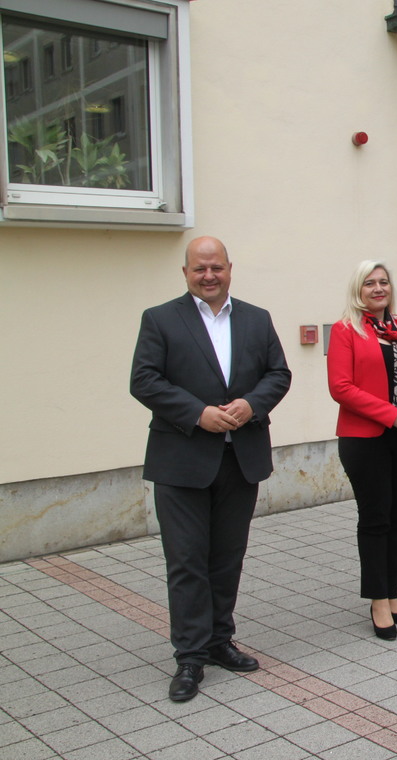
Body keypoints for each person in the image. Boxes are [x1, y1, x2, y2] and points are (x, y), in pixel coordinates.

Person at [130, 236, 291, 703]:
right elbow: (144, 379)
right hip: (181, 460)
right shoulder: (160, 319)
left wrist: (250, 404)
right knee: (186, 562)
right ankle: (190, 656)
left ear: (229, 269)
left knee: (226, 559)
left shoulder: (256, 319)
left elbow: (278, 374)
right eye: (199, 269)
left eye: (216, 267)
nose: (208, 275)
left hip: (239, 458)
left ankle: (220, 641)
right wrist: (197, 412)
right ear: (185, 273)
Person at [327, 261, 397, 641]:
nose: (377, 288)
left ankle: (392, 591)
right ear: (359, 289)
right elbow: (341, 388)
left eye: (383, 282)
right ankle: (376, 599)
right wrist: (393, 416)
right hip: (365, 439)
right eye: (369, 283)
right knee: (374, 518)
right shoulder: (345, 331)